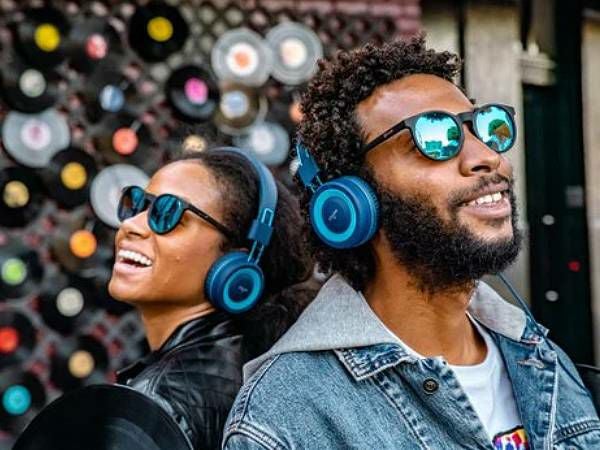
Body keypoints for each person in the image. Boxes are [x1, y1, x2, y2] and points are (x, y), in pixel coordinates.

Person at [222, 38, 600, 449]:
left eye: (485, 127)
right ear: (349, 204)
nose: (488, 157)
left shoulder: (541, 356)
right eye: (434, 136)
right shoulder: (286, 417)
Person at [108, 147, 314, 449]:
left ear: (235, 265)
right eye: (136, 204)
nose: (131, 225)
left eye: (168, 213)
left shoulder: (158, 405)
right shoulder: (251, 366)